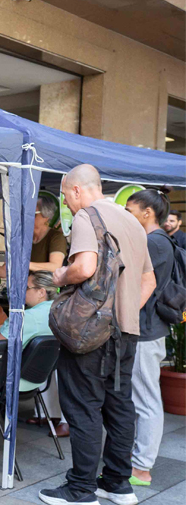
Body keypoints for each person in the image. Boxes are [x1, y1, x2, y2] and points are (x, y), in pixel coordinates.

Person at [40, 164, 155, 505]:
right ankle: (118, 485)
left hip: (91, 333)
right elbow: (148, 281)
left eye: (64, 194)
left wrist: (60, 276)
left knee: (82, 407)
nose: (65, 201)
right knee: (120, 407)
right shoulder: (132, 222)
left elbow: (85, 267)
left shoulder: (88, 217)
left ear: (77, 190)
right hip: (126, 332)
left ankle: (81, 489)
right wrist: (124, 311)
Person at [125, 189, 174, 488]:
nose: (126, 216)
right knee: (141, 398)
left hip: (146, 331)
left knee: (146, 400)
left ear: (147, 213)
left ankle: (142, 467)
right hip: (147, 330)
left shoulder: (154, 242)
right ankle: (136, 460)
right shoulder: (157, 241)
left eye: (129, 211)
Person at [0, 271, 66, 434]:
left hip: (13, 381)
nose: (22, 291)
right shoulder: (61, 313)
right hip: (40, 379)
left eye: (26, 288)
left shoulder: (26, 317)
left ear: (41, 292)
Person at [0, 194, 68, 277]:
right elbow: (6, 271)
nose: (26, 218)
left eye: (32, 214)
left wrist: (23, 264)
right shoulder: (22, 238)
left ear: (46, 216)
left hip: (45, 286)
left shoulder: (56, 237)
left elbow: (55, 266)